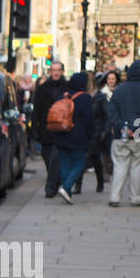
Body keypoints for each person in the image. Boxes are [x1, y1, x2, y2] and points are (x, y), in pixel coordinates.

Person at [106, 59, 140, 207]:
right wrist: (137, 127)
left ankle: (115, 197)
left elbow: (111, 110)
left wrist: (123, 126)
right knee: (138, 165)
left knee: (119, 165)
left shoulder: (120, 89)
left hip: (121, 132)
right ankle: (135, 197)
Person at [54, 72, 93, 203]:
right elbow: (89, 120)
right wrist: (90, 135)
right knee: (79, 163)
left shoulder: (62, 96)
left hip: (62, 134)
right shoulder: (86, 98)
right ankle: (66, 187)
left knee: (65, 163)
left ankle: (67, 192)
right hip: (79, 137)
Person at [32, 61, 69, 197]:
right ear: (50, 71)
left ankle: (50, 187)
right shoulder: (42, 88)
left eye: (58, 70)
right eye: (54, 70)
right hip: (46, 128)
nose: (56, 72)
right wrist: (34, 127)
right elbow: (36, 109)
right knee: (48, 159)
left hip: (62, 128)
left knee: (56, 159)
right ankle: (55, 180)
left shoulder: (67, 87)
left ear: (62, 71)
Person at [88, 71, 115, 192]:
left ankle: (100, 182)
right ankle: (77, 184)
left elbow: (107, 115)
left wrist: (104, 131)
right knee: (82, 159)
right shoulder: (82, 96)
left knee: (95, 159)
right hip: (85, 132)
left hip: (97, 132)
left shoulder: (100, 97)